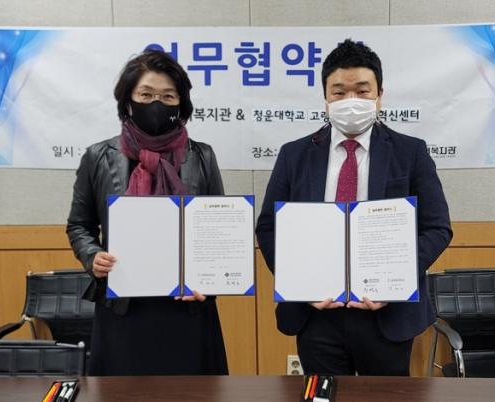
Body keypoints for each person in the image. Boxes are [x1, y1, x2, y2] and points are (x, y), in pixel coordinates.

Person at [255, 39, 452, 376]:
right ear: (325, 98)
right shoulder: (294, 155)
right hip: (316, 314)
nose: (350, 101)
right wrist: (299, 283)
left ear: (379, 95)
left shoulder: (410, 152)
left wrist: (396, 278)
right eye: (339, 92)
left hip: (386, 314)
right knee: (322, 396)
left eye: (362, 91)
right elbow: (269, 228)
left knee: (387, 399)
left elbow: (437, 228)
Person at [66, 49, 228, 376]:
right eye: (146, 95)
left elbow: (219, 229)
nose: (157, 104)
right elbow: (79, 225)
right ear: (128, 101)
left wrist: (209, 281)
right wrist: (92, 255)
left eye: (168, 96)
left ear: (181, 104)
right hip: (124, 307)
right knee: (122, 394)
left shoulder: (202, 156)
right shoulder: (99, 157)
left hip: (187, 307)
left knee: (193, 395)